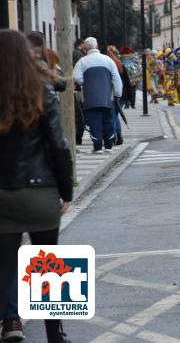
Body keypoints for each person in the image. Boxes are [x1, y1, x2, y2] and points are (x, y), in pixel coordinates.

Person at [0, 29, 73, 343]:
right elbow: (58, 146)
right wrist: (66, 191)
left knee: (5, 263)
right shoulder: (42, 91)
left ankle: (11, 322)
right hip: (41, 190)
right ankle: (55, 334)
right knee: (47, 262)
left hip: (2, 194)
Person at [73, 37, 123, 153]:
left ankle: (98, 146)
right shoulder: (108, 60)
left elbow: (77, 78)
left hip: (90, 98)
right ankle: (109, 145)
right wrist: (117, 95)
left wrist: (85, 81)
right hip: (107, 97)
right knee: (108, 120)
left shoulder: (82, 61)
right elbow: (116, 79)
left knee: (94, 121)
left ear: (85, 48)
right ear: (97, 46)